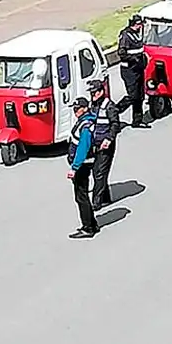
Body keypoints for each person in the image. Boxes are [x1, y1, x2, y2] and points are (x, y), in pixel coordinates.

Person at [67, 99, 99, 238]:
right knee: (82, 195)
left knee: (81, 197)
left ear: (85, 108)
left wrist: (74, 168)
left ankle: (88, 228)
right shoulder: (85, 121)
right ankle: (92, 223)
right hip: (83, 164)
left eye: (78, 109)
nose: (75, 111)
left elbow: (82, 148)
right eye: (74, 109)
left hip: (83, 165)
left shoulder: (85, 126)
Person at [88, 79, 120, 211]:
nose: (92, 95)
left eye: (94, 92)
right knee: (97, 171)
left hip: (106, 144)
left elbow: (115, 125)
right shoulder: (93, 105)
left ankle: (96, 202)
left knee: (100, 172)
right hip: (95, 143)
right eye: (91, 92)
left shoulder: (109, 106)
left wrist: (109, 139)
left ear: (101, 91)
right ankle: (105, 196)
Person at [115, 15, 149, 128]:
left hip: (139, 69)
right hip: (129, 70)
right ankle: (114, 112)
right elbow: (121, 53)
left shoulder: (137, 34)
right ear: (135, 24)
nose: (141, 26)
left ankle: (137, 121)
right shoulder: (125, 35)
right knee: (132, 96)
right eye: (140, 24)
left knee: (140, 96)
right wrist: (134, 59)